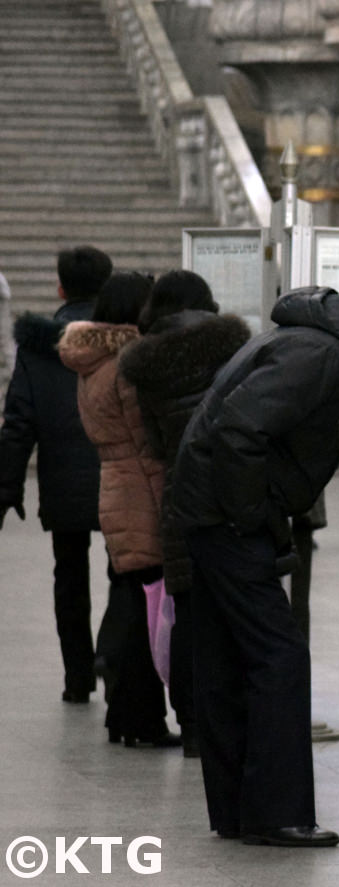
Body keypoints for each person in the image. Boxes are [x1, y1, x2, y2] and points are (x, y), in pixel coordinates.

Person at [170, 283, 339, 847]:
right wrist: (253, 515)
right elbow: (240, 427)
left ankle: (238, 811)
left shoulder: (311, 342)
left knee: (225, 658)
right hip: (226, 519)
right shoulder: (321, 354)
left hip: (209, 512)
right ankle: (277, 813)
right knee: (279, 655)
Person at [119, 269, 252, 759]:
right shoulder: (234, 348)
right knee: (234, 607)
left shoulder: (145, 363)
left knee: (188, 614)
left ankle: (194, 724)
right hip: (234, 490)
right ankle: (233, 718)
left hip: (180, 496)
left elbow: (154, 442)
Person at [57, 270, 178, 747]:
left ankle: (122, 716)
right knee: (144, 607)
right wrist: (169, 501)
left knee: (130, 594)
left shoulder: (91, 360)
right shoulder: (129, 362)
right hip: (140, 493)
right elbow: (146, 444)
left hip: (112, 484)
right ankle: (141, 718)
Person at [0, 246, 110, 704]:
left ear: (60, 287)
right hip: (119, 475)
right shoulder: (124, 343)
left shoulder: (39, 347)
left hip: (62, 476)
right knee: (129, 573)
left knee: (69, 576)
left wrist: (7, 486)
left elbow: (18, 421)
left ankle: (77, 677)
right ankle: (116, 664)